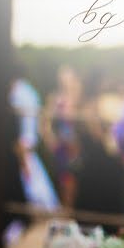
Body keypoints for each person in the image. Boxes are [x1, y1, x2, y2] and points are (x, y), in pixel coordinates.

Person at [9, 75, 59, 211]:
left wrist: (24, 161)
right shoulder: (26, 92)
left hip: (21, 154)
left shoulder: (22, 94)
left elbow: (26, 135)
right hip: (22, 153)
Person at [42, 65, 83, 209]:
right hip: (61, 149)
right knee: (64, 180)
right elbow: (45, 122)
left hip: (75, 148)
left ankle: (68, 211)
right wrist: (50, 140)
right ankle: (65, 211)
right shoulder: (55, 98)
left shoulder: (78, 98)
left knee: (72, 180)